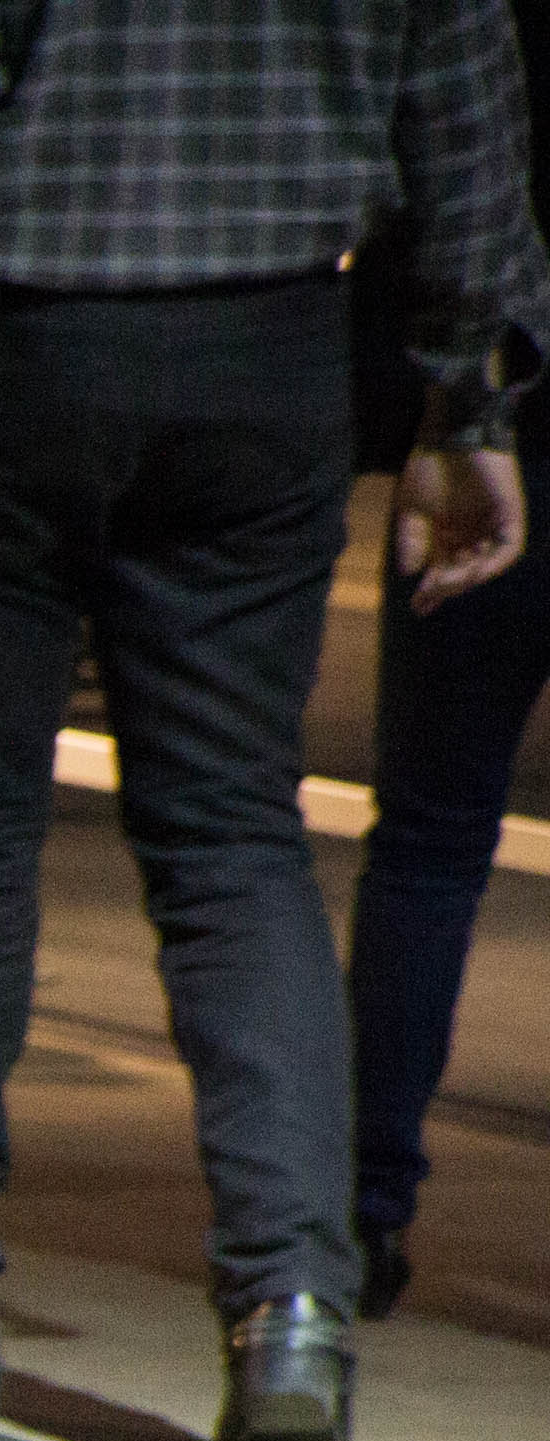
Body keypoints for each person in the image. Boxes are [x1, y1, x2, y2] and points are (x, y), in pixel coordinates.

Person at [0, 0, 547, 1441]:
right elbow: (467, 124)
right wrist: (469, 402)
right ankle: (294, 1315)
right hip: (268, 350)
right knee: (237, 840)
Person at [347, 0, 550, 1324]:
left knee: (426, 843)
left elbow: (439, 186)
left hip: (498, 425)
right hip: (489, 430)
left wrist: (444, 405)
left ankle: (358, 1217)